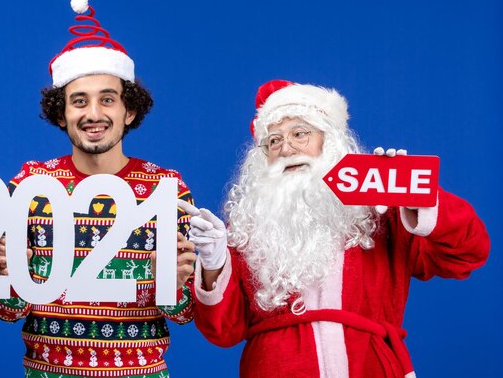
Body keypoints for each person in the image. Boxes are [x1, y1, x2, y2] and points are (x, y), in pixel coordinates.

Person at [182, 80, 489, 378]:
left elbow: (468, 253)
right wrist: (214, 263)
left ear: (328, 141)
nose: (286, 148)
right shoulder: (248, 228)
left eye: (299, 134)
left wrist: (412, 194)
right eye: (274, 140)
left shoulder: (382, 212)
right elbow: (223, 332)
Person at [0, 0, 196, 378]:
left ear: (128, 111)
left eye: (108, 100)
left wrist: (175, 282)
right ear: (61, 114)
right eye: (78, 101)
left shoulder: (167, 188)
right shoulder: (30, 185)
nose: (93, 114)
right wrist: (6, 277)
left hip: (141, 372)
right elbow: (8, 312)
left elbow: (183, 315)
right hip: (47, 372)